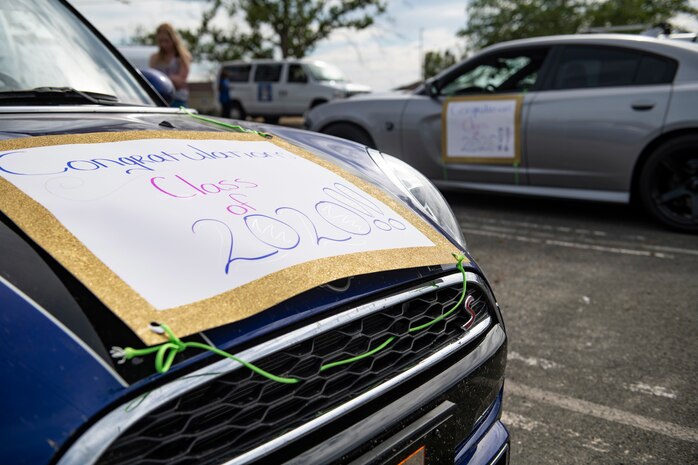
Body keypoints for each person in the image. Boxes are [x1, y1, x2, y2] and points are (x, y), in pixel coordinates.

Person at [149, 23, 191, 107]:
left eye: (166, 41)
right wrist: (171, 78)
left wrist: (163, 79)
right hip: (159, 100)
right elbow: (151, 79)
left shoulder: (182, 57)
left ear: (173, 39)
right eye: (161, 41)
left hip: (178, 100)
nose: (163, 44)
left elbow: (180, 81)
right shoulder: (154, 58)